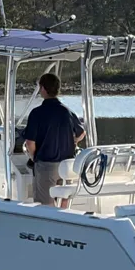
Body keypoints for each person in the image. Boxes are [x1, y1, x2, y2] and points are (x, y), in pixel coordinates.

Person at [22, 73, 86, 207]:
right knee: (63, 201)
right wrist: (73, 142)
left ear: (43, 89)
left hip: (46, 165)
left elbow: (29, 143)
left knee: (44, 206)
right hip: (67, 166)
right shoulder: (67, 112)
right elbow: (82, 133)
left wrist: (34, 158)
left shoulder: (37, 113)